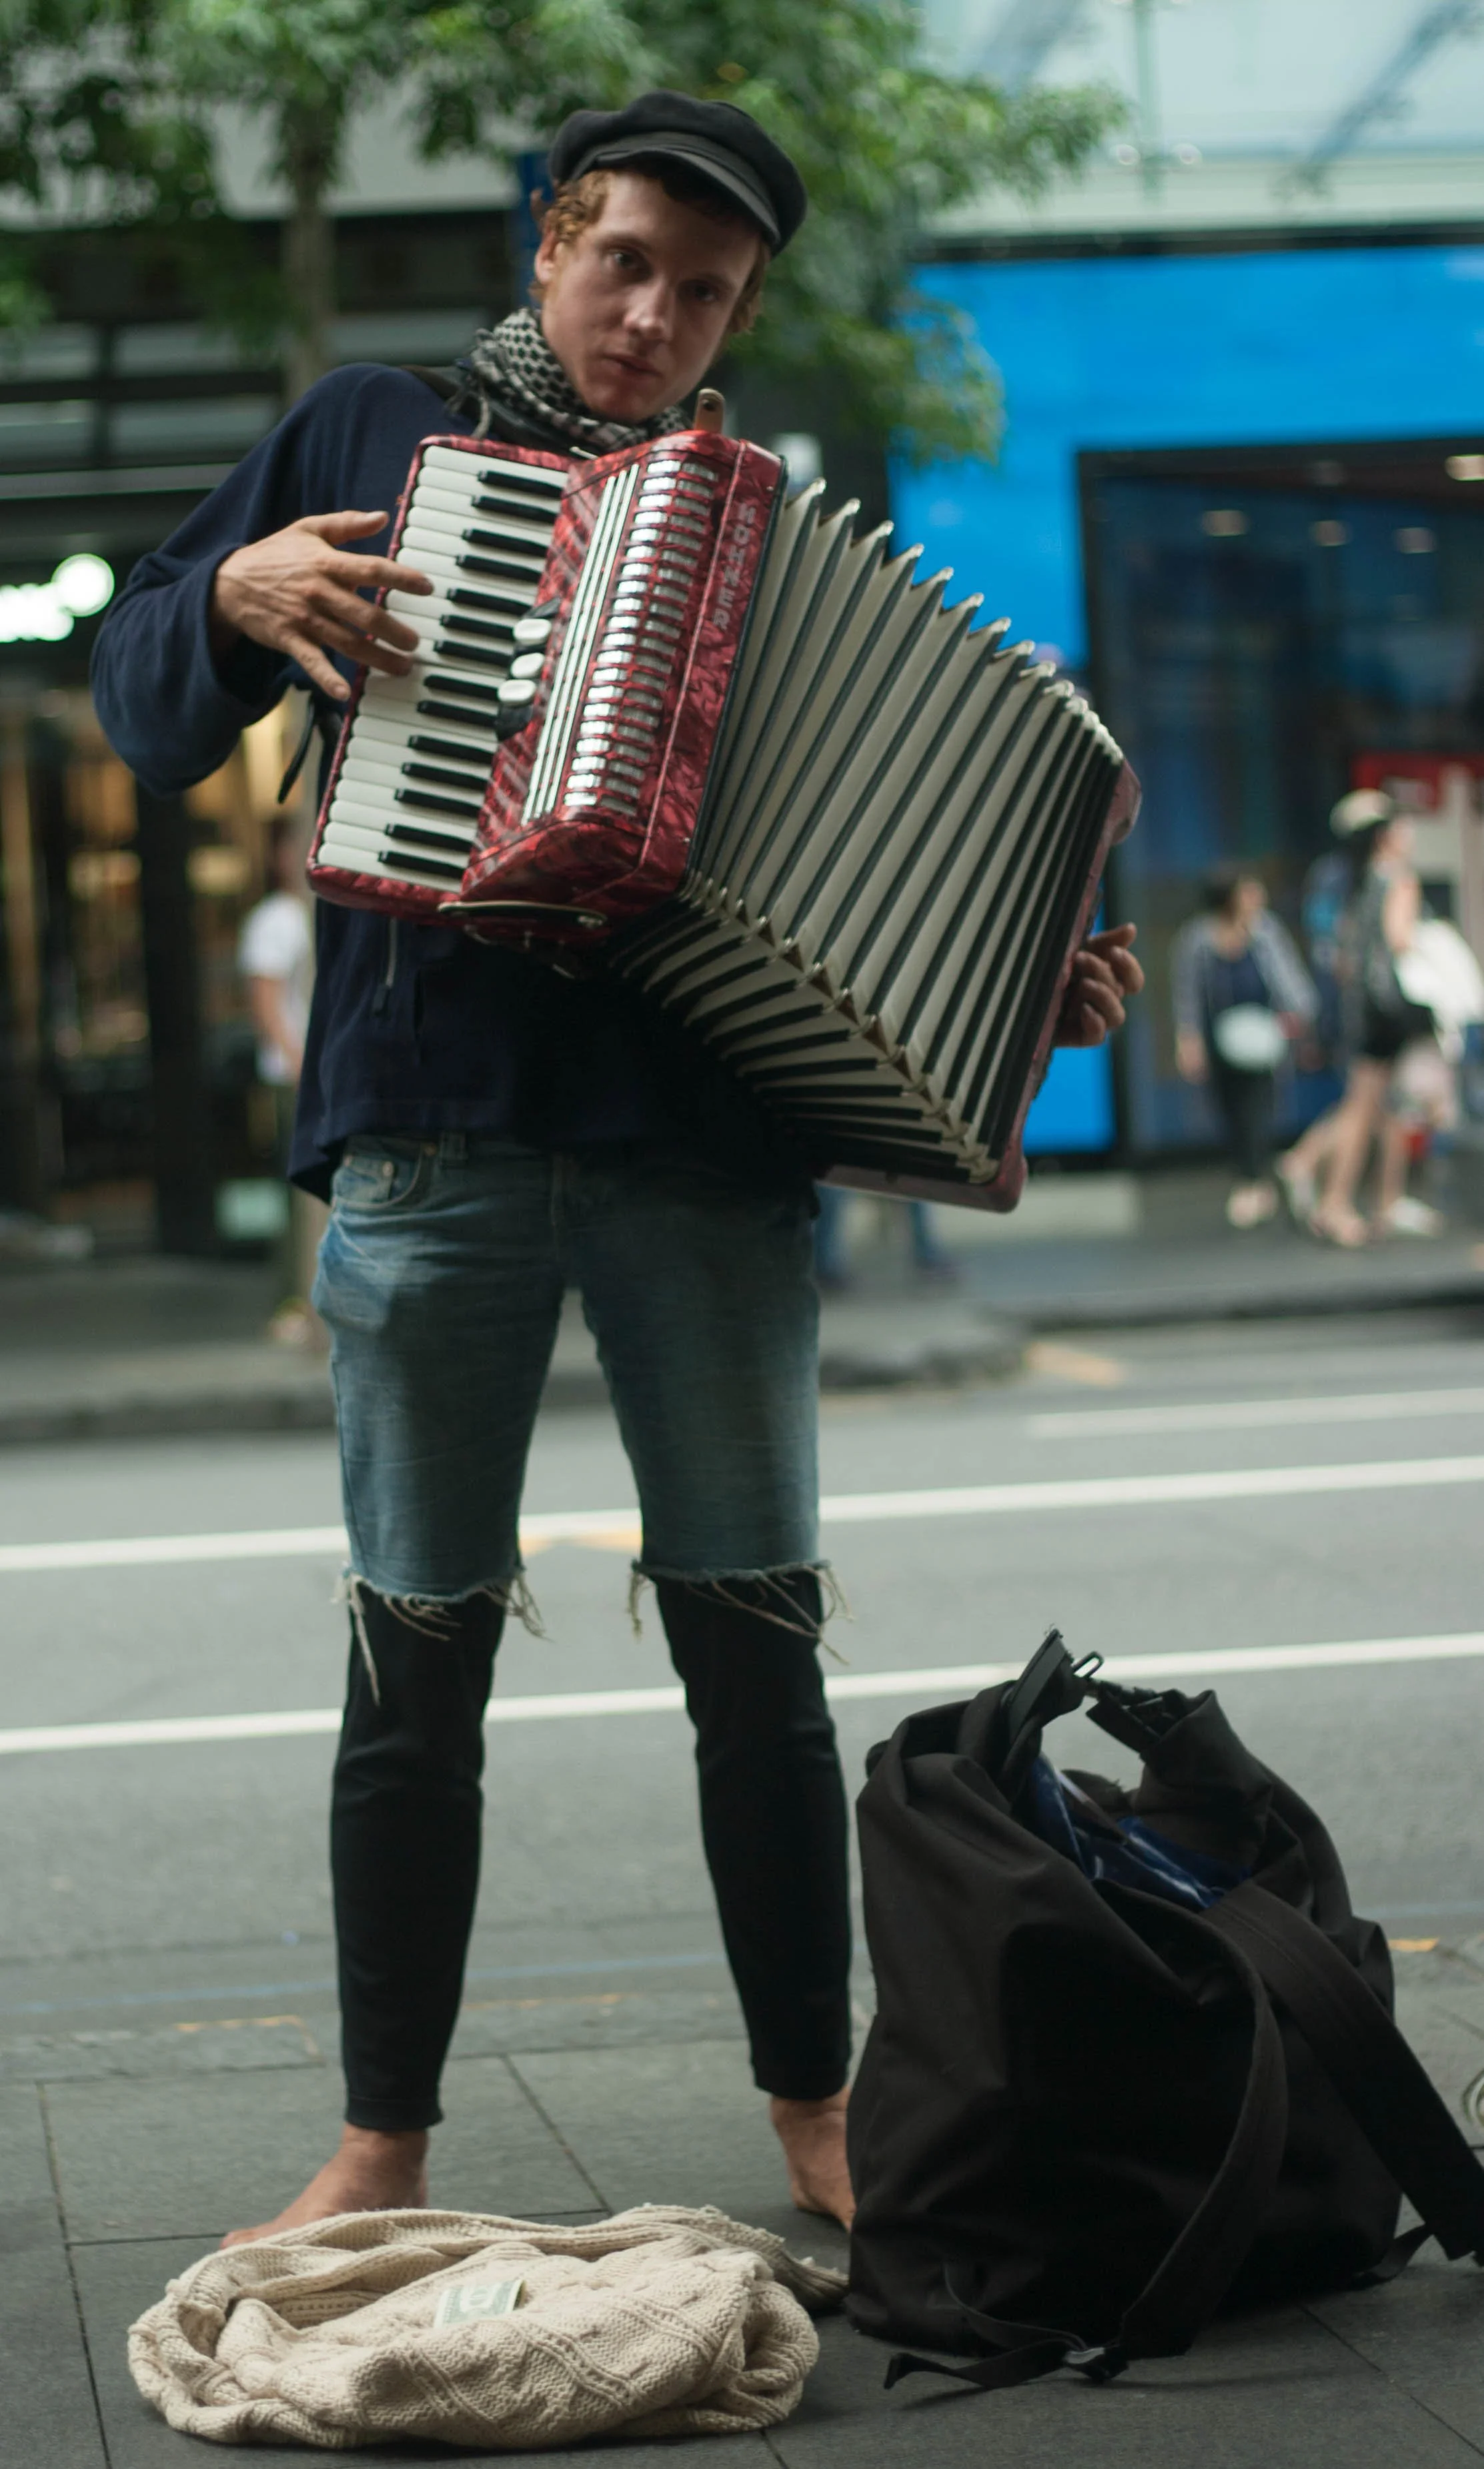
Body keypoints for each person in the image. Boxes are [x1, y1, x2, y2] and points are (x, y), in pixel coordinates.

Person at [91, 90, 1143, 2246]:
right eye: (625, 261)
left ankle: (813, 2108)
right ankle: (382, 2141)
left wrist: (1013, 987)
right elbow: (140, 711)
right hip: (434, 1146)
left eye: (707, 290)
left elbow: (875, 887)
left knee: (756, 1661)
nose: (655, 315)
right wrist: (231, 595)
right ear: (551, 239)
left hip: (705, 1160)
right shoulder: (367, 434)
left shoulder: (767, 537)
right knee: (418, 1663)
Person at [1303, 805, 1431, 1247]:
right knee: (1363, 1107)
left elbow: (1342, 954)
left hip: (1361, 1008)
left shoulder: (1354, 878)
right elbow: (1399, 940)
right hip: (1387, 1011)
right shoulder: (1397, 877)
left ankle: (1384, 1202)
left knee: (1385, 1106)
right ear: (1386, 835)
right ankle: (1333, 1203)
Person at [1172, 867, 1315, 1228]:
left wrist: (1297, 1015)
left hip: (1264, 1037)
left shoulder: (1266, 933)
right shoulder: (1197, 940)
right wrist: (1188, 1040)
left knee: (1258, 1107)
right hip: (1220, 1038)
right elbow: (1187, 994)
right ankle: (1248, 1178)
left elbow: (1288, 977)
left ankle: (1255, 1181)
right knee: (1229, 1109)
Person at [239, 816, 322, 1338]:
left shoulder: (315, 912)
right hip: (294, 1077)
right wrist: (299, 1067)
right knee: (299, 1196)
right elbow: (266, 1004)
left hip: (314, 1075)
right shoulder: (277, 918)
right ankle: (294, 1305)